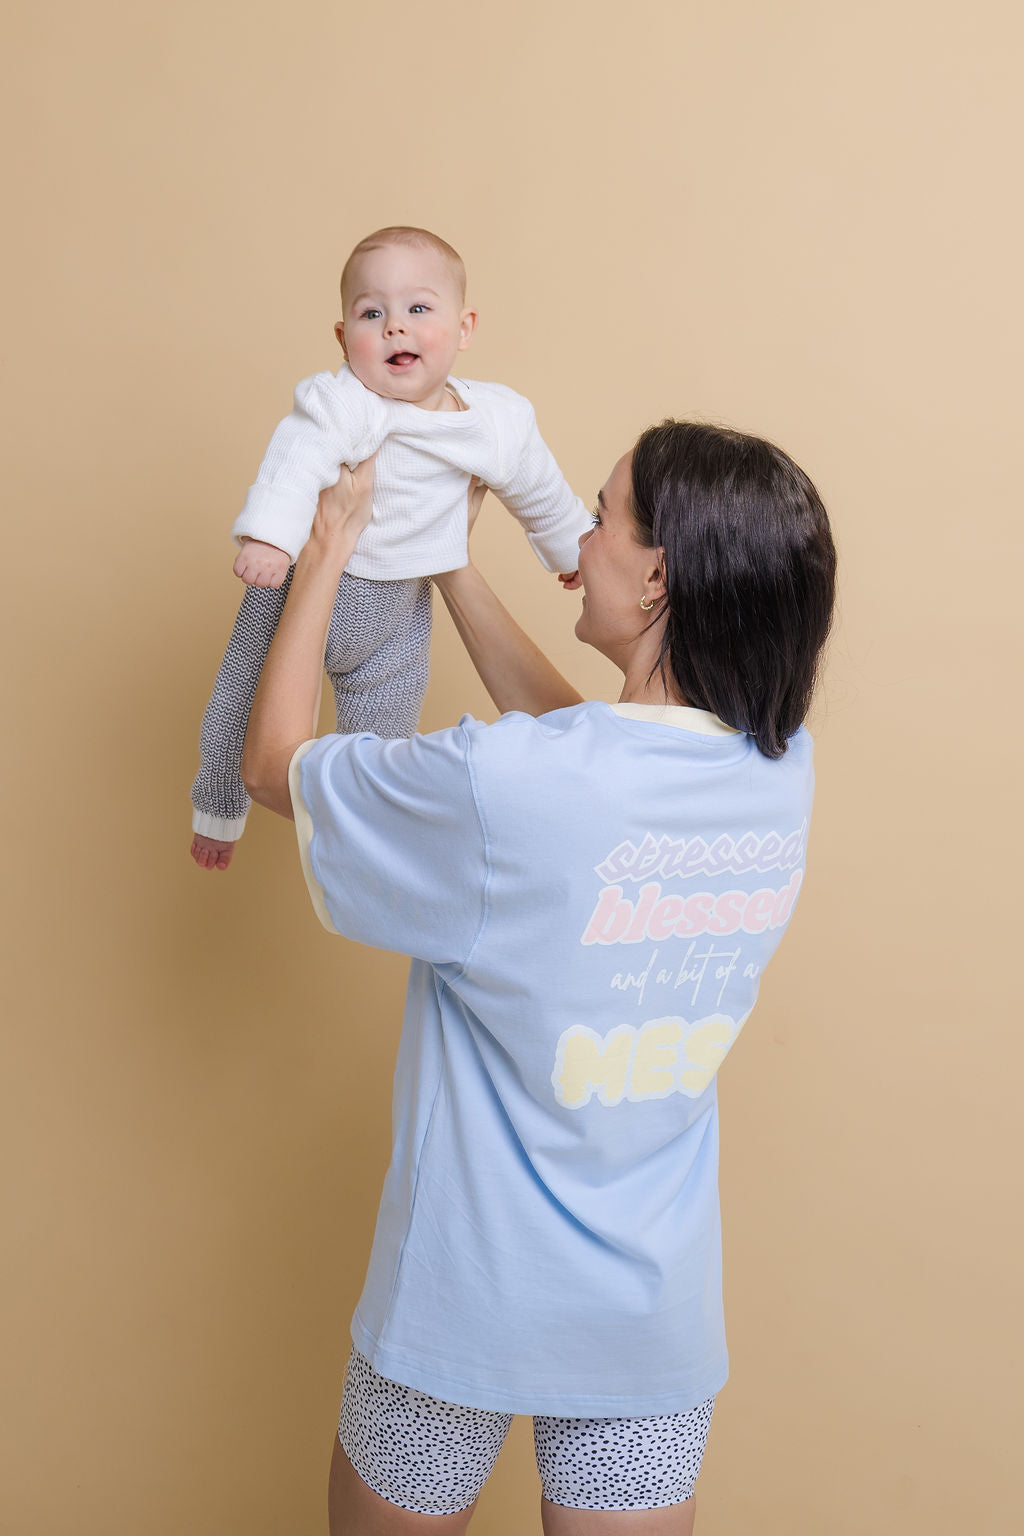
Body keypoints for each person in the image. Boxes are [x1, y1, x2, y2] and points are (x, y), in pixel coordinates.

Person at [241, 420, 837, 1534]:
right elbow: (592, 759)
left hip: (458, 1307)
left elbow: (274, 765)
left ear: (658, 572)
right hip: (647, 1317)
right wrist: (449, 563)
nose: (579, 530)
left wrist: (329, 545)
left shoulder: (508, 788)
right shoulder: (775, 768)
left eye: (602, 513)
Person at [190, 225, 590, 870]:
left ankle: (364, 847)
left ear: (465, 328)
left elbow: (539, 488)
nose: (395, 328)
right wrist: (269, 537)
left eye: (418, 309)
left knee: (383, 732)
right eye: (371, 313)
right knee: (240, 697)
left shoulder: (498, 421)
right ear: (345, 339)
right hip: (303, 587)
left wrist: (571, 552)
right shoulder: (344, 402)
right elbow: (295, 461)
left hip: (400, 605)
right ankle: (217, 809)